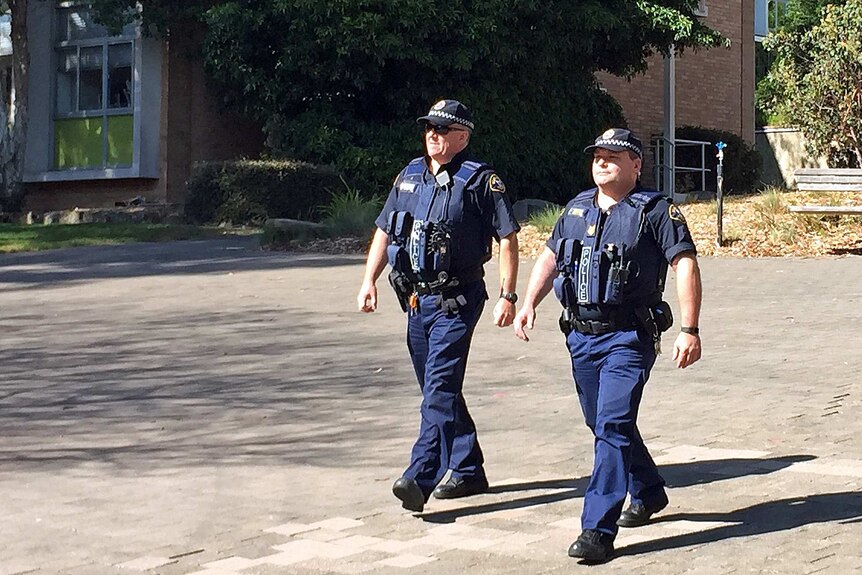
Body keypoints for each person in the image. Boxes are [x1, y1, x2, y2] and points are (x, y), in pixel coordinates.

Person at [513, 128, 702, 563]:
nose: (602, 162)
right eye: (597, 155)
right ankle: (650, 490)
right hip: (580, 336)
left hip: (628, 337)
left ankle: (597, 529)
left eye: (614, 156)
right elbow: (551, 256)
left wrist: (690, 329)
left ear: (636, 165)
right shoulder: (577, 207)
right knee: (601, 422)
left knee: (612, 425)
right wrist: (528, 303)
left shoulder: (655, 211)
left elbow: (685, 264)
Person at [357, 99, 520, 513]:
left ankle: (420, 474)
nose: (434, 135)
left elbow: (507, 237)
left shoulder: (481, 181)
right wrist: (368, 282)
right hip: (415, 300)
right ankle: (467, 468)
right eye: (429, 128)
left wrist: (508, 293)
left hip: (457, 300)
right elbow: (383, 229)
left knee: (439, 387)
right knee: (437, 388)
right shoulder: (410, 175)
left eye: (443, 129)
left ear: (462, 137)